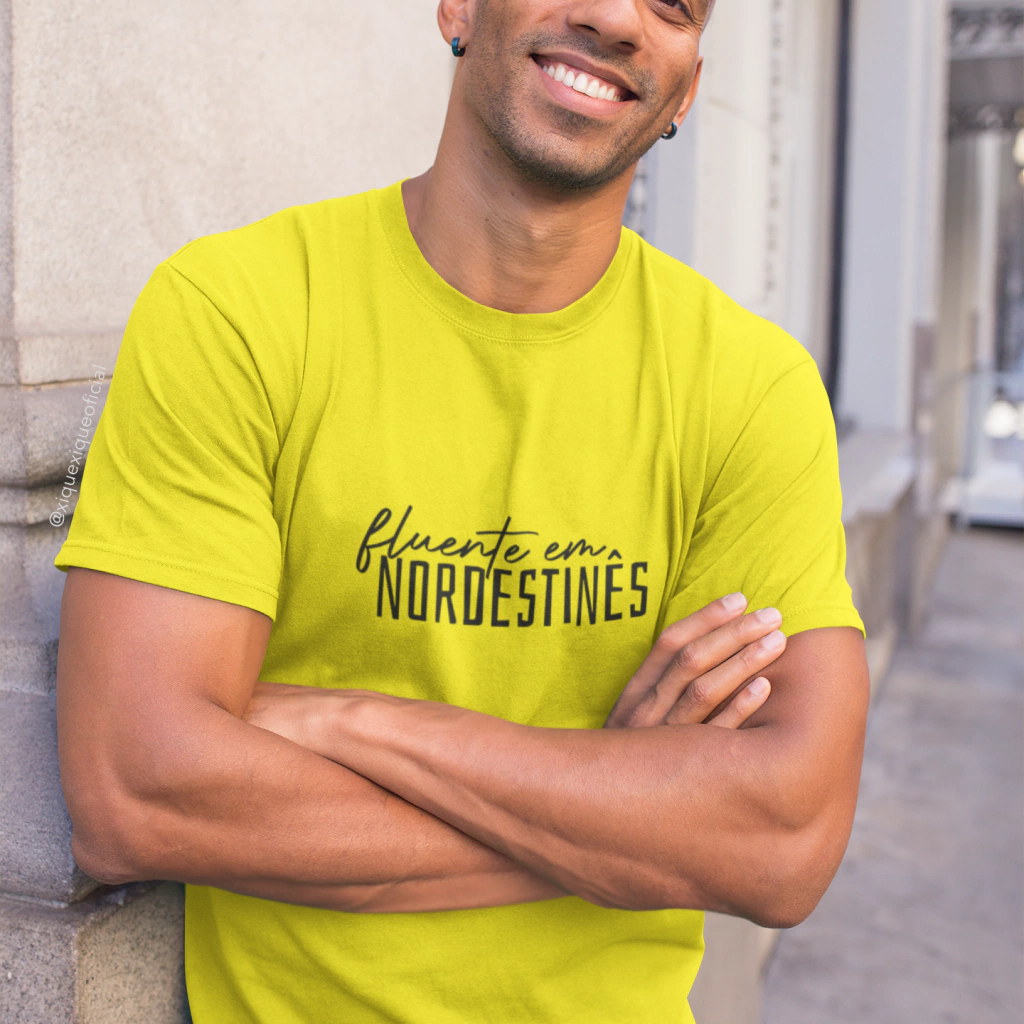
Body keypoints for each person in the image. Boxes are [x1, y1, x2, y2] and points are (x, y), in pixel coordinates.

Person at [54, 1, 869, 1021]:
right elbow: (136, 793)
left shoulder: (749, 390)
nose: (617, 18)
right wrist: (624, 814)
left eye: (672, 6)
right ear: (458, 6)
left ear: (686, 92)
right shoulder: (239, 313)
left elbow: (784, 845)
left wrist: (352, 720)